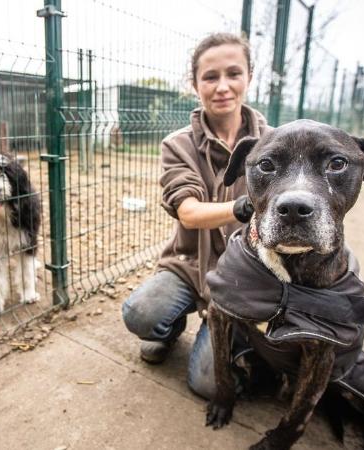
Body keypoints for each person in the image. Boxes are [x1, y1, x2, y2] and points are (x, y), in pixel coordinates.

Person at [121, 32, 269, 399]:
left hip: (242, 279)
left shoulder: (275, 142)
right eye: (210, 77)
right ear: (194, 84)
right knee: (140, 313)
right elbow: (188, 212)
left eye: (233, 73)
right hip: (188, 265)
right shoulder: (178, 144)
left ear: (250, 77)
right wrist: (242, 207)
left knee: (209, 385)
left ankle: (236, 337)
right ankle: (168, 332)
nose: (222, 87)